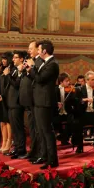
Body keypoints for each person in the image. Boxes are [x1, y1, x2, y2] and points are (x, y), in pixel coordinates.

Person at [31, 40, 60, 168]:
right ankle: (45, 156)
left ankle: (52, 159)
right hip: (39, 101)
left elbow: (40, 79)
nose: (37, 51)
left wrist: (32, 67)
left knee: (47, 131)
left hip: (45, 101)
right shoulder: (45, 63)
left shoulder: (53, 64)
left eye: (39, 49)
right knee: (41, 130)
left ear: (44, 51)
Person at [21, 41, 42, 162]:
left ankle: (38, 151)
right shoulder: (31, 61)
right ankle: (33, 150)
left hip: (36, 99)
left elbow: (38, 78)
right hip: (29, 99)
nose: (29, 51)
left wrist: (32, 67)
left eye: (31, 48)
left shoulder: (38, 62)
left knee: (38, 128)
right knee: (32, 128)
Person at [75, 71, 94, 152]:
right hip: (84, 114)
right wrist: (85, 100)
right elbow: (77, 101)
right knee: (76, 123)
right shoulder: (80, 89)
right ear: (87, 80)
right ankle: (79, 147)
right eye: (92, 79)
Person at [6, 51, 27, 159]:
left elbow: (17, 84)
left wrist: (8, 75)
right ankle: (16, 148)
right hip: (11, 102)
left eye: (15, 57)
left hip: (17, 103)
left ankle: (21, 150)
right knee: (14, 128)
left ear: (22, 59)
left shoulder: (22, 70)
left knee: (18, 128)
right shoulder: (14, 70)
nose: (13, 59)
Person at [0, 53, 12, 154]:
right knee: (1, 122)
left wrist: (3, 97)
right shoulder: (2, 70)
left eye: (5, 59)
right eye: (2, 59)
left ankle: (9, 142)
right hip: (0, 99)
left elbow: (9, 86)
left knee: (7, 121)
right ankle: (4, 142)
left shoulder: (10, 70)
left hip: (7, 99)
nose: (3, 61)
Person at [54, 72, 77, 146]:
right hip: (57, 113)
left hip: (67, 112)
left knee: (73, 121)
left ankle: (63, 137)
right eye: (66, 81)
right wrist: (56, 104)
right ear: (61, 82)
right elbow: (52, 101)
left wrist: (73, 93)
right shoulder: (55, 89)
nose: (68, 82)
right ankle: (62, 137)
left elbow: (73, 102)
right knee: (55, 122)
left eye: (68, 81)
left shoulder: (70, 90)